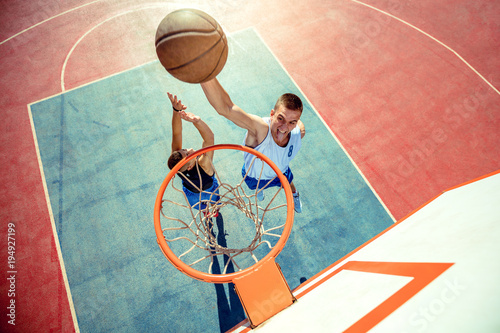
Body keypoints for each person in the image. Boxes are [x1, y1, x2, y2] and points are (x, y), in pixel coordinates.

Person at [200, 78, 305, 213]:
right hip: (255, 177)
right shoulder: (260, 129)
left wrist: (293, 121)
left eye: (292, 122)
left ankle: (294, 194)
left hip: (280, 172)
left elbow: (300, 126)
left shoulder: (298, 133)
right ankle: (260, 190)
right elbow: (226, 108)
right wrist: (205, 75)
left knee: (288, 182)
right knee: (256, 188)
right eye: (281, 118)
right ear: (272, 114)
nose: (285, 127)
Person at [166, 92, 220, 216]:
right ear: (189, 166)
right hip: (210, 189)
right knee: (215, 200)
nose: (189, 149)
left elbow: (176, 134)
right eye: (188, 154)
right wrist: (197, 122)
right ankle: (214, 208)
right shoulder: (204, 164)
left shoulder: (177, 165)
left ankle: (205, 211)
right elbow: (209, 139)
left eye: (184, 149)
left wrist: (176, 110)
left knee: (199, 207)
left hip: (191, 193)